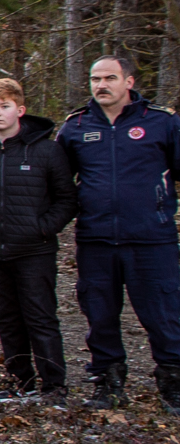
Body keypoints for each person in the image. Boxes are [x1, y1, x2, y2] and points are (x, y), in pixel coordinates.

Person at [58, 52, 180, 412]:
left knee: (164, 313)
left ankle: (173, 384)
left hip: (151, 238)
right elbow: (60, 181)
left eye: (109, 78)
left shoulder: (161, 123)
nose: (101, 85)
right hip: (96, 239)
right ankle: (107, 383)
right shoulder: (76, 126)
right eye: (96, 79)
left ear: (129, 81)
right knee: (100, 314)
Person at [0, 76, 78, 406]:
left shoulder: (47, 151)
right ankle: (20, 381)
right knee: (7, 318)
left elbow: (67, 199)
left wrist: (41, 228)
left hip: (34, 251)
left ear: (20, 110)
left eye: (4, 107)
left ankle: (54, 387)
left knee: (41, 317)